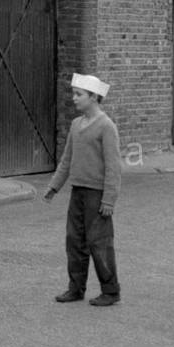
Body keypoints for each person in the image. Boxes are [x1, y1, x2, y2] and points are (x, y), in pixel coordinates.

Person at [44, 72, 121, 307]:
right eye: (74, 94)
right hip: (78, 192)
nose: (74, 98)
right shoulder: (76, 125)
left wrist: (108, 199)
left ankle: (111, 290)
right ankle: (76, 288)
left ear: (94, 97)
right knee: (74, 241)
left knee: (99, 242)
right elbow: (67, 160)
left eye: (79, 95)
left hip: (97, 195)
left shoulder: (106, 127)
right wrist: (54, 186)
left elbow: (113, 166)